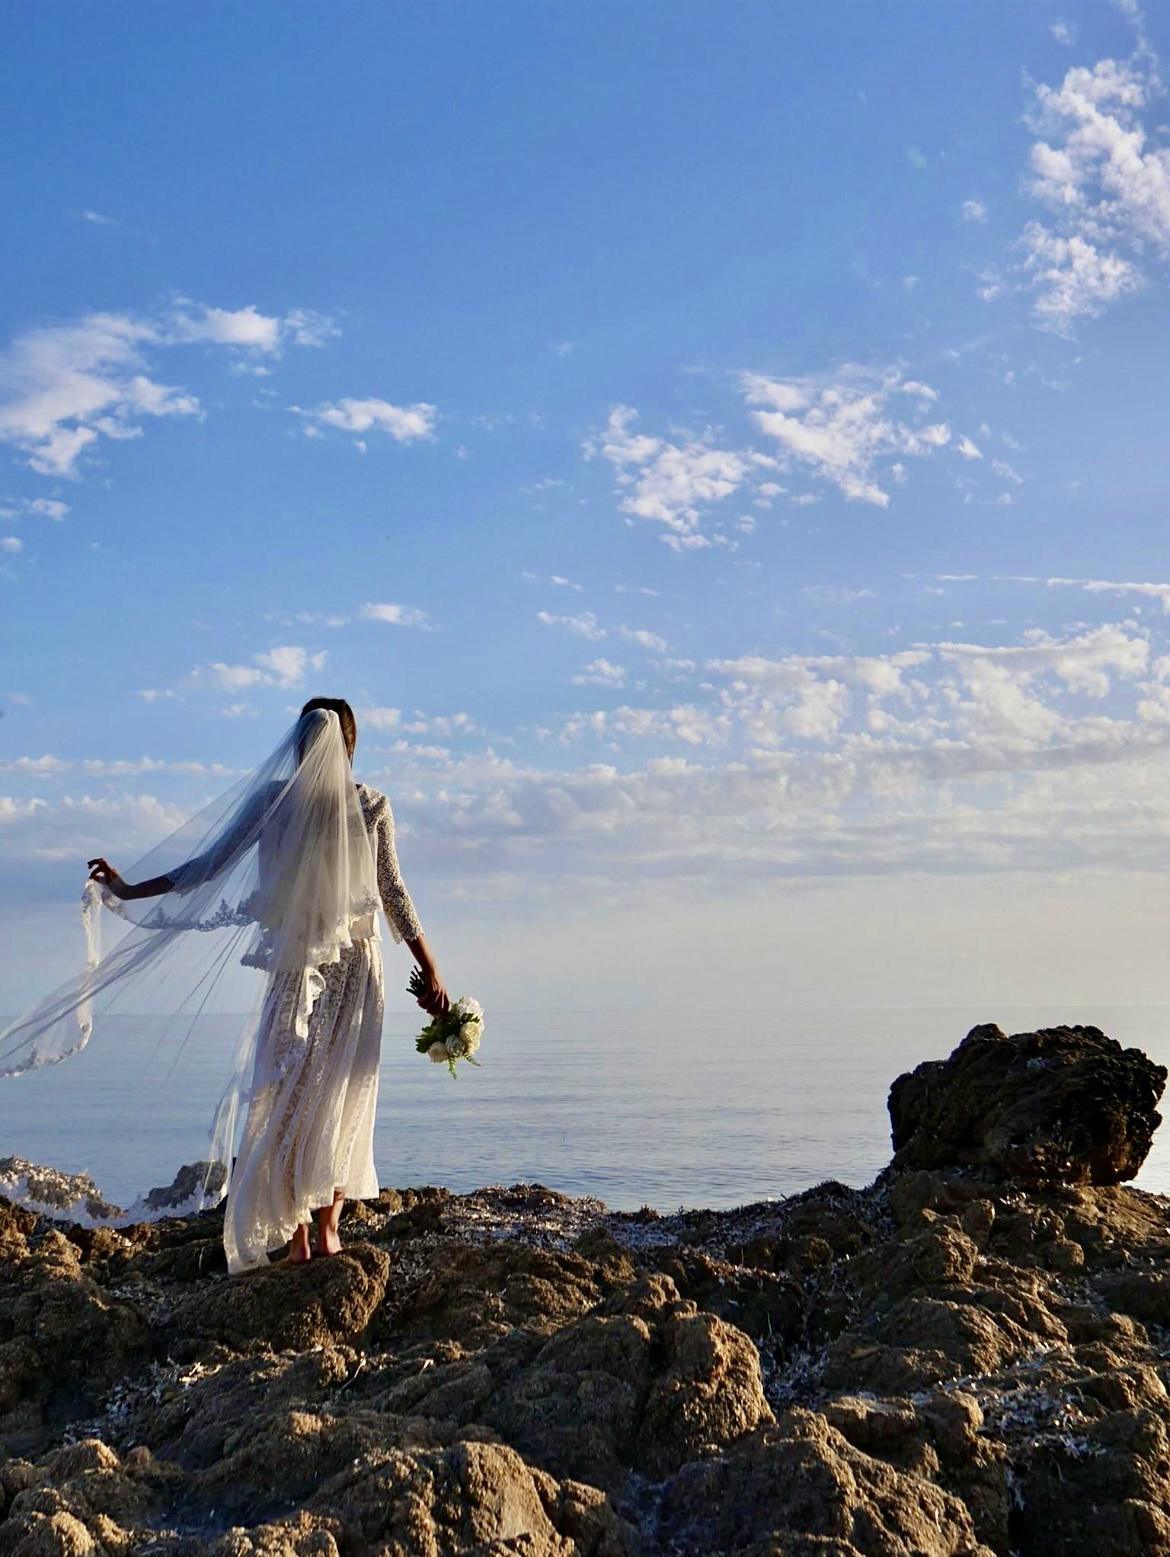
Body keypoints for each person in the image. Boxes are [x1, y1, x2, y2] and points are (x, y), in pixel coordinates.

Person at [2, 697, 448, 1273]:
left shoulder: (284, 805)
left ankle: (299, 1237)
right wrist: (430, 967)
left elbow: (210, 865)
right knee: (333, 1090)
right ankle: (324, 1230)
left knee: (288, 1091)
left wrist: (129, 889)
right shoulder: (367, 805)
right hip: (352, 965)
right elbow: (394, 895)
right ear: (351, 747)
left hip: (300, 965)